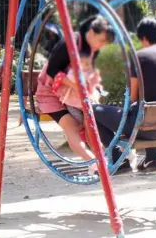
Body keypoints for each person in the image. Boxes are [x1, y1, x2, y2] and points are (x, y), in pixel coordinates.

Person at [94, 17, 156, 174]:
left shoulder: (139, 57)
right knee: (147, 110)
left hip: (144, 126)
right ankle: (151, 160)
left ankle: (118, 160)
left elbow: (133, 97)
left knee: (92, 110)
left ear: (144, 37)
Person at [35, 15, 115, 173]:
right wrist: (78, 87)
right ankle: (92, 162)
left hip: (74, 94)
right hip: (51, 92)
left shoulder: (93, 48)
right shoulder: (71, 42)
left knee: (90, 121)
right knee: (71, 126)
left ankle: (102, 157)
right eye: (101, 40)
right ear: (92, 32)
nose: (101, 46)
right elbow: (52, 70)